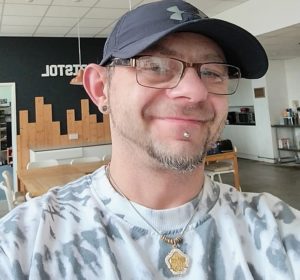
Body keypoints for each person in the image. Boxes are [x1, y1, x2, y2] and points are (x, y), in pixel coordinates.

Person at [0, 0, 299, 279]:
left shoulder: (280, 230)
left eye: (212, 72)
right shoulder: (23, 244)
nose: (195, 92)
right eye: (155, 66)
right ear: (101, 89)